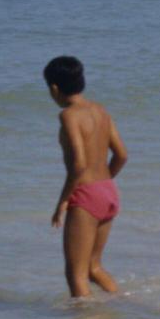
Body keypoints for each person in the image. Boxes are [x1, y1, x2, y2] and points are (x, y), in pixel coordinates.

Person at [44, 56, 127, 298]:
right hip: (108, 191)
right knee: (94, 267)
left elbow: (79, 165)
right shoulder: (101, 111)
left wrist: (62, 201)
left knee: (76, 274)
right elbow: (122, 155)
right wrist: (102, 186)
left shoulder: (69, 115)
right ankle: (121, 305)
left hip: (87, 195)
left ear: (54, 88)